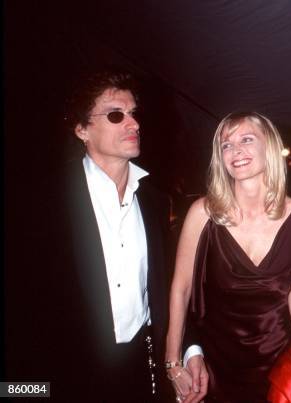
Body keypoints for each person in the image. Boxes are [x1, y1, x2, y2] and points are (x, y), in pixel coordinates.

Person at [6, 70, 172, 401]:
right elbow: (22, 304)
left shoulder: (155, 200)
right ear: (82, 129)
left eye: (134, 113)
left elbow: (167, 288)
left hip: (142, 370)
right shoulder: (43, 201)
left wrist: (186, 351)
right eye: (116, 114)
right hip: (69, 375)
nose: (134, 123)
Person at [165, 112, 291, 403]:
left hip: (278, 366)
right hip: (215, 369)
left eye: (247, 140)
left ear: (270, 147)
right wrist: (173, 361)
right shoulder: (203, 213)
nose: (235, 150)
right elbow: (181, 288)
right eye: (226, 145)